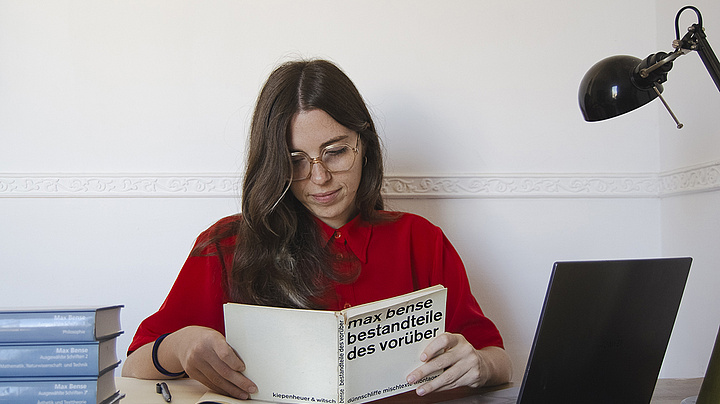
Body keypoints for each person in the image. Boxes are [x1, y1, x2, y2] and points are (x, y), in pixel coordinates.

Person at [122, 58, 512, 399]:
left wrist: (479, 363)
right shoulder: (227, 245)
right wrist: (182, 345)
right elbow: (134, 364)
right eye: (295, 160)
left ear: (365, 145)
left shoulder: (420, 240)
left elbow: (498, 360)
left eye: (336, 151)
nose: (319, 177)